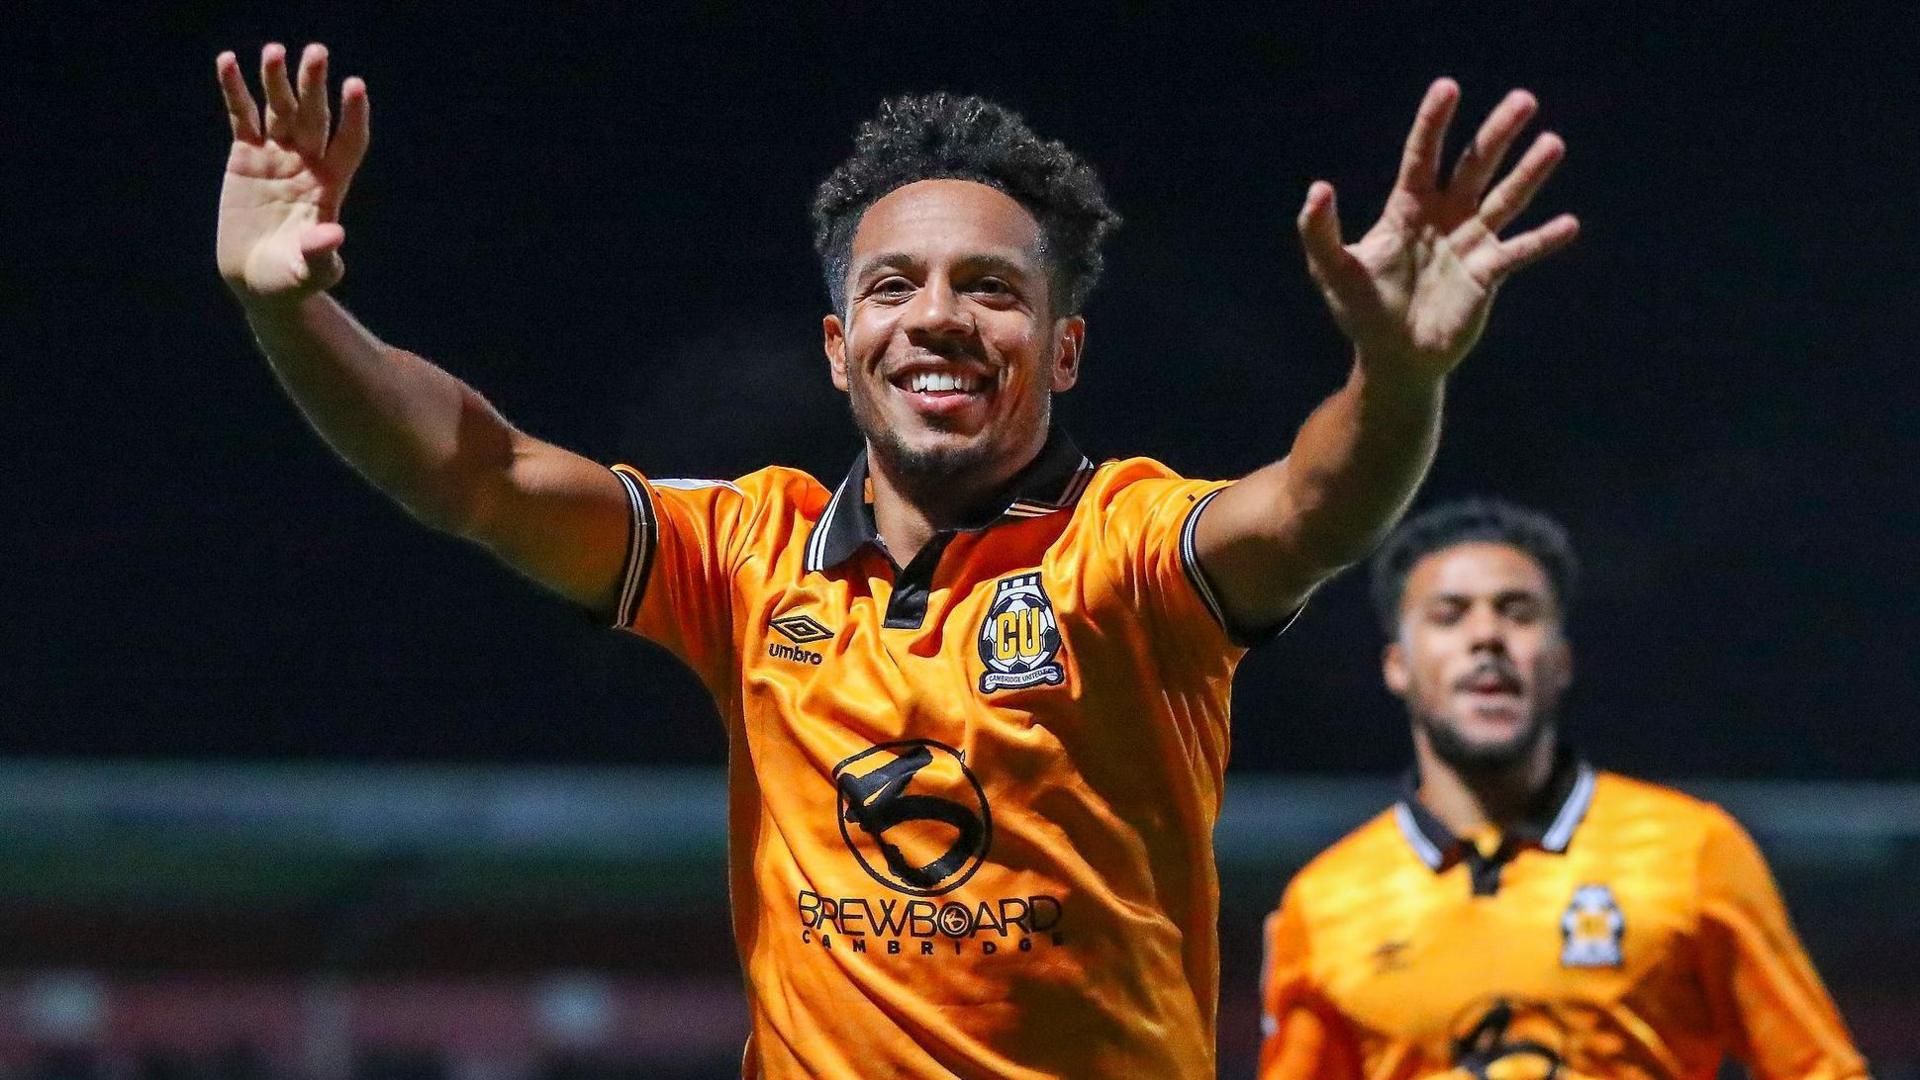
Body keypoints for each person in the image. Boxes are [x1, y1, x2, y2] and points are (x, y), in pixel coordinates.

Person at [214, 42, 1576, 1078]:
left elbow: (1315, 511)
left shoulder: (1128, 548)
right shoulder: (746, 554)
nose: (937, 318)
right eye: (894, 286)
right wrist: (292, 317)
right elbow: (479, 474)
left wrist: (1397, 374)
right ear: (837, 347)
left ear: (1062, 348)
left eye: (991, 288)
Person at [1257, 498, 1868, 1080]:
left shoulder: (1693, 852)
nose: (1487, 636)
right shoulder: (1323, 905)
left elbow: (1819, 1068)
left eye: (1518, 612)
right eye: (1449, 614)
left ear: (1561, 660)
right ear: (1398, 666)